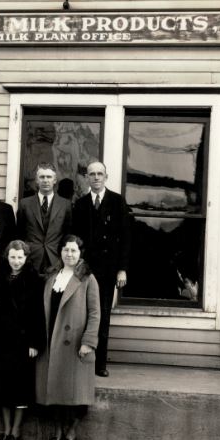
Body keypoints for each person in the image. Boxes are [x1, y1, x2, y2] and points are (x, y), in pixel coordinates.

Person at [35, 235, 100, 440]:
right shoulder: (52, 276)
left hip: (74, 346)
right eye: (65, 250)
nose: (69, 255)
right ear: (60, 252)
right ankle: (56, 434)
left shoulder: (88, 279)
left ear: (80, 253)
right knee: (52, 393)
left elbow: (95, 314)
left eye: (73, 251)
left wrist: (88, 342)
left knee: (73, 395)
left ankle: (70, 434)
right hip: (50, 342)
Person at [72, 161, 132, 378]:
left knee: (102, 315)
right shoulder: (80, 204)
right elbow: (75, 240)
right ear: (87, 178)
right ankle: (83, 360)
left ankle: (100, 364)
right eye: (92, 174)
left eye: (100, 174)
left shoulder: (117, 202)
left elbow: (126, 238)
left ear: (106, 177)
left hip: (108, 270)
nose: (96, 178)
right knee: (82, 314)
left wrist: (122, 269)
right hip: (85, 271)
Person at [0, 240, 46, 440]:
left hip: (23, 342)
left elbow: (38, 314)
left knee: (20, 388)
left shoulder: (34, 280)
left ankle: (16, 431)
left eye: (20, 257)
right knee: (2, 387)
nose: (16, 261)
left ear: (26, 258)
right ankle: (6, 429)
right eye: (12, 257)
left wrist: (35, 342)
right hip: (2, 340)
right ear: (7, 257)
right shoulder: (1, 277)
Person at [17, 163, 72, 277]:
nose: (45, 180)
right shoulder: (25, 204)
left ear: (55, 180)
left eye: (49, 177)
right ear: (37, 180)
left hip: (55, 259)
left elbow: (68, 234)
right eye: (42, 177)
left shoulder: (66, 205)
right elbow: (20, 233)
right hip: (31, 259)